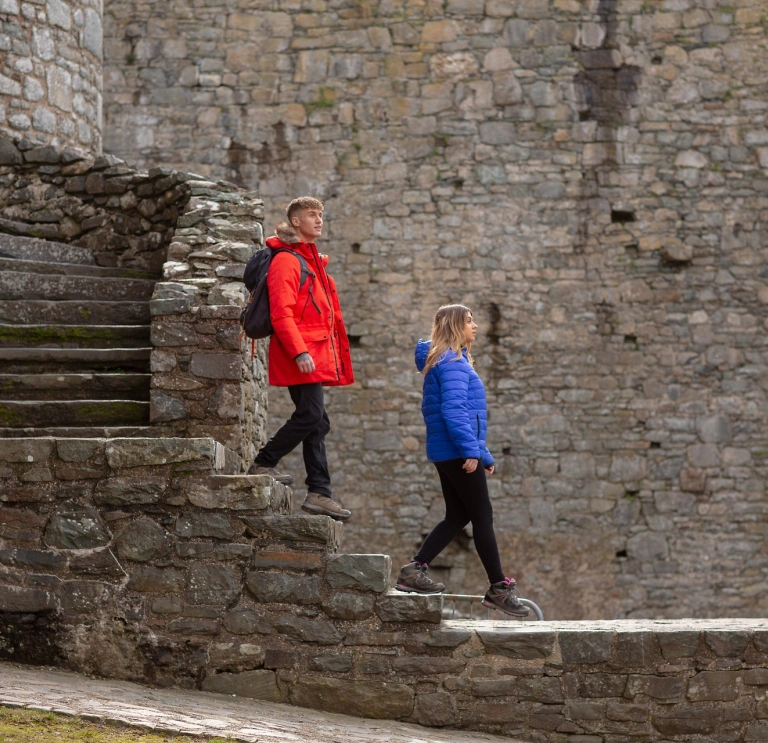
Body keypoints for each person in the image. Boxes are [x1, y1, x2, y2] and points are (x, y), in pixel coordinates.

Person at [395, 304, 530, 617]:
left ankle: (414, 570)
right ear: (456, 326)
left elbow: (463, 413)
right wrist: (470, 451)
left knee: (457, 516)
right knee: (482, 515)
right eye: (469, 321)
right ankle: (498, 587)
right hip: (457, 451)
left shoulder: (443, 360)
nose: (476, 326)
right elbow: (454, 412)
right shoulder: (453, 362)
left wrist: (481, 452)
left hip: (451, 449)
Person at [247, 196, 354, 521]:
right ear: (295, 221)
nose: (319, 220)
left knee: (318, 420)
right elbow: (282, 314)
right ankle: (264, 462)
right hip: (301, 354)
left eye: (320, 214)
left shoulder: (311, 263)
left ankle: (319, 493)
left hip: (312, 353)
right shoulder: (288, 261)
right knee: (310, 415)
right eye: (311, 215)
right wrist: (301, 351)